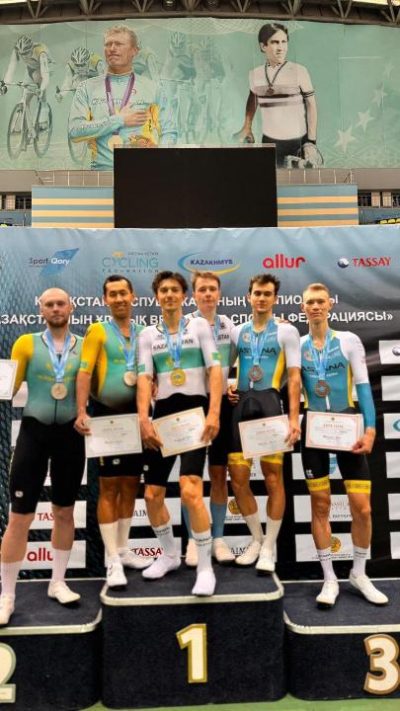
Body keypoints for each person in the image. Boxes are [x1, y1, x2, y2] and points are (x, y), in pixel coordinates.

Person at [0, 288, 85, 627]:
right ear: (41, 310)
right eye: (49, 304)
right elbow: (8, 387)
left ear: (71, 307)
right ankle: (7, 595)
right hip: (33, 434)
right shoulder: (26, 343)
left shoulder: (85, 346)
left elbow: (96, 387)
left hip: (70, 435)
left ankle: (57, 582)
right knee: (19, 516)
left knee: (64, 511)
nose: (55, 308)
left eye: (60, 303)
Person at [300, 282, 388, 608]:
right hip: (313, 431)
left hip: (347, 426)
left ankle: (359, 573)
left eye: (320, 301)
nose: (315, 306)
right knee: (320, 505)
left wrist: (370, 429)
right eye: (310, 302)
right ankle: (329, 578)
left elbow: (363, 387)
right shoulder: (297, 345)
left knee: (362, 507)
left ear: (330, 304)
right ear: (302, 307)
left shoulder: (348, 340)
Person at [137, 271, 222, 597]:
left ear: (184, 296)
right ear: (157, 296)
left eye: (175, 289)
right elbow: (144, 379)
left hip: (194, 415)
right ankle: (170, 555)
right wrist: (144, 419)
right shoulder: (148, 334)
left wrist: (214, 413)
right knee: (152, 495)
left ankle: (204, 568)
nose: (169, 294)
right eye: (164, 290)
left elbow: (215, 370)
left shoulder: (198, 325)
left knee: (190, 490)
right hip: (163, 417)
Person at [74, 275, 150, 588]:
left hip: (136, 416)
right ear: (105, 300)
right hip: (106, 416)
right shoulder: (98, 331)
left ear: (133, 296)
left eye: (123, 293)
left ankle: (123, 549)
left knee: (131, 484)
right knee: (108, 487)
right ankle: (112, 560)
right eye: (113, 294)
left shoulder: (145, 332)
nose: (119, 299)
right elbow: (84, 372)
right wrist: (81, 411)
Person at [228, 274, 301, 572]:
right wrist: (228, 387)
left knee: (273, 479)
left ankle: (270, 547)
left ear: (275, 298)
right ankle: (257, 539)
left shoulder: (287, 331)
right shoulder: (237, 331)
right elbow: (223, 367)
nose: (261, 298)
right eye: (257, 293)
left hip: (270, 404)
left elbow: (294, 378)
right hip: (241, 406)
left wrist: (294, 418)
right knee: (238, 479)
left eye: (267, 294)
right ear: (248, 296)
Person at [68, 24, 177, 170]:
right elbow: (74, 131)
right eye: (108, 44)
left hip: (143, 171)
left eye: (119, 44)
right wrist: (119, 120)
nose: (112, 48)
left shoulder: (153, 88)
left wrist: (160, 160)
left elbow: (169, 131)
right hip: (101, 173)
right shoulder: (86, 88)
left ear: (134, 50)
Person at [183, 271, 235, 567]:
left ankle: (218, 538)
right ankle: (193, 539)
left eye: (212, 289)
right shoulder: (184, 325)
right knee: (190, 478)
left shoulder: (228, 325)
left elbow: (247, 353)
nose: (207, 294)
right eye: (202, 289)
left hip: (221, 406)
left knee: (218, 474)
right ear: (193, 295)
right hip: (191, 406)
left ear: (219, 293)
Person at [234, 23, 320, 168]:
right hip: (269, 142)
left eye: (284, 42)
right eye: (275, 42)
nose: (281, 47)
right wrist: (247, 126)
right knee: (270, 180)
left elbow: (311, 105)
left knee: (298, 181)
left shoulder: (299, 71)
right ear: (263, 46)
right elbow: (253, 99)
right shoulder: (255, 74)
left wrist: (311, 142)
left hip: (297, 143)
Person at [1, 34, 51, 100]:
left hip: (44, 67)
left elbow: (46, 77)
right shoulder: (17, 50)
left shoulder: (40, 52)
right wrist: (5, 86)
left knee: (37, 81)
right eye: (22, 54)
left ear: (31, 49)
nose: (24, 57)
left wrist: (41, 89)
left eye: (26, 53)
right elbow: (11, 69)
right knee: (25, 97)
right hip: (31, 67)